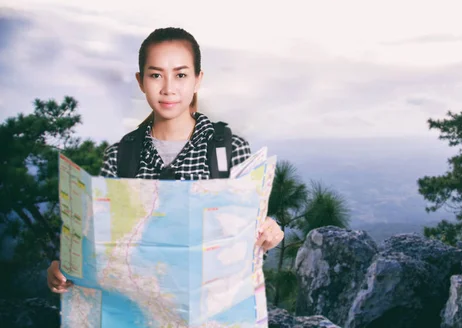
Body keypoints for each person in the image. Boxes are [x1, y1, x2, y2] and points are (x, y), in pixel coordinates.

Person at [47, 27, 284, 294]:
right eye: (156, 75)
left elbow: (248, 232)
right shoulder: (121, 156)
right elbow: (102, 237)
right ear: (140, 81)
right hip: (140, 306)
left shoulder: (228, 150)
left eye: (181, 75)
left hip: (209, 307)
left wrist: (270, 231)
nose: (168, 88)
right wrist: (65, 267)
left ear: (197, 79)